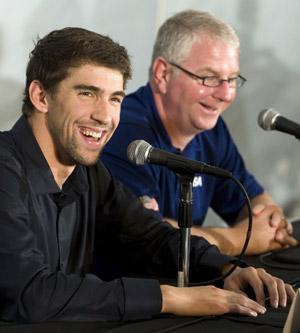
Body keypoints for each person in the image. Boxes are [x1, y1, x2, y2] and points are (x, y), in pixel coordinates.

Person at [0, 26, 294, 324]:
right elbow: (30, 293)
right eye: (87, 93)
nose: (105, 116)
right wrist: (170, 297)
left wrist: (225, 268)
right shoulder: (4, 168)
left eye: (115, 98)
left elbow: (150, 235)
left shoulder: (88, 172)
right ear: (41, 96)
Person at [101, 10, 297, 256]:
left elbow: (252, 200)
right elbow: (150, 239)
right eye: (208, 78)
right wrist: (240, 239)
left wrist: (271, 222)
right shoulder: (125, 133)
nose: (225, 94)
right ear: (162, 74)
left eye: (232, 79)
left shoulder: (209, 129)